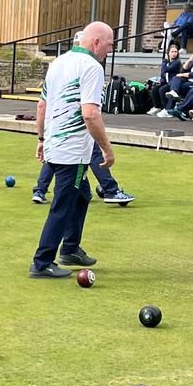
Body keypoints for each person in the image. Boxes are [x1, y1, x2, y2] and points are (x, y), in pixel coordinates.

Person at [30, 20, 114, 279]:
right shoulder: (92, 67)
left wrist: (41, 138)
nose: (110, 50)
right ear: (96, 42)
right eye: (109, 45)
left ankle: (70, 249)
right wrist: (107, 148)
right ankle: (42, 262)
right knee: (63, 204)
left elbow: (42, 105)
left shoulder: (58, 62)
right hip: (73, 151)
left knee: (82, 195)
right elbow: (90, 113)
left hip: (55, 144)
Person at [32, 143, 134, 207]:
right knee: (93, 152)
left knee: (54, 154)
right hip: (78, 127)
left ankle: (40, 191)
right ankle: (111, 190)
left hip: (57, 127)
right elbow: (89, 116)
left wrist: (41, 139)